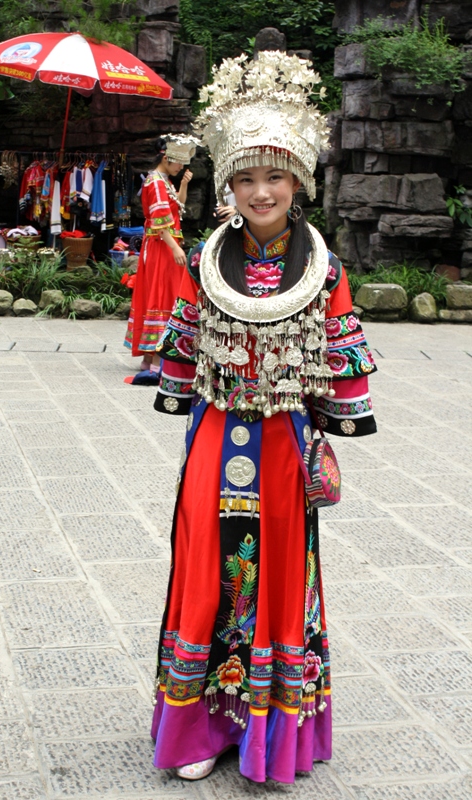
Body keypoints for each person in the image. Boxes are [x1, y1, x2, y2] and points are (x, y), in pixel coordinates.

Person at [150, 52, 377, 784]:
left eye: (274, 175)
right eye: (245, 177)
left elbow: (341, 370)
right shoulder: (201, 259)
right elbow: (181, 358)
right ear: (227, 187)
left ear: (299, 184)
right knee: (206, 572)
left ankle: (271, 735)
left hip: (284, 444)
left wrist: (330, 441)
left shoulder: (324, 267)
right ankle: (199, 730)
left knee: (278, 576)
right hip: (216, 437)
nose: (260, 191)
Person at [123, 135, 196, 384]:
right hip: (161, 245)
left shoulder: (164, 181)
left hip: (163, 243)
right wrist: (176, 248)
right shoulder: (155, 182)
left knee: (163, 294)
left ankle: (149, 358)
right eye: (179, 163)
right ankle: (155, 361)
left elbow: (177, 207)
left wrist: (184, 184)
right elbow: (161, 222)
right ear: (166, 157)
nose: (181, 168)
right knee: (162, 295)